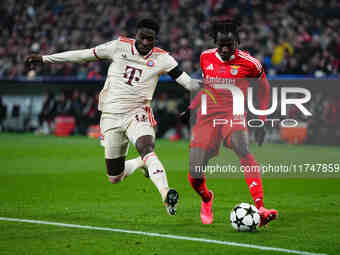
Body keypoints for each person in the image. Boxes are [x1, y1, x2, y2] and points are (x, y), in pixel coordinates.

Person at [25, 18, 200, 216]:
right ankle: (140, 164)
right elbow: (83, 55)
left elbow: (188, 83)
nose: (145, 43)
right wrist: (45, 58)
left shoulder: (163, 58)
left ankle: (166, 195)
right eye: (142, 38)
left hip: (138, 112)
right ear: (136, 35)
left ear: (155, 39)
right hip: (110, 116)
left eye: (150, 39)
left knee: (146, 147)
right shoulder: (118, 46)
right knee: (115, 176)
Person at [181, 20, 278, 225]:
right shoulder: (205, 57)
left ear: (237, 41)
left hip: (233, 113)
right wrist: (191, 108)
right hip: (207, 116)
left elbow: (265, 89)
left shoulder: (250, 63)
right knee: (195, 171)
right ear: (214, 42)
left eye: (230, 44)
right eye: (221, 44)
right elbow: (207, 87)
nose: (225, 49)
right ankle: (207, 198)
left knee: (242, 147)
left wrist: (262, 119)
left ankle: (260, 207)